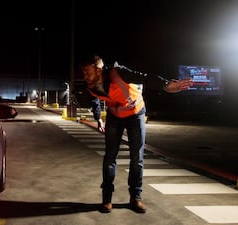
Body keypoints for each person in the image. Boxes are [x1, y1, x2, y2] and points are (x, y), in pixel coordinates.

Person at [79, 54, 193, 213]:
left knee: (136, 158)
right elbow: (94, 100)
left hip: (135, 115)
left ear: (98, 70)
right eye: (83, 72)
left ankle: (135, 197)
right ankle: (107, 199)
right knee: (109, 157)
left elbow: (145, 78)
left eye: (87, 72)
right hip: (114, 116)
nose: (84, 76)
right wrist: (98, 118)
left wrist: (166, 85)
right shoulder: (90, 86)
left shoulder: (118, 73)